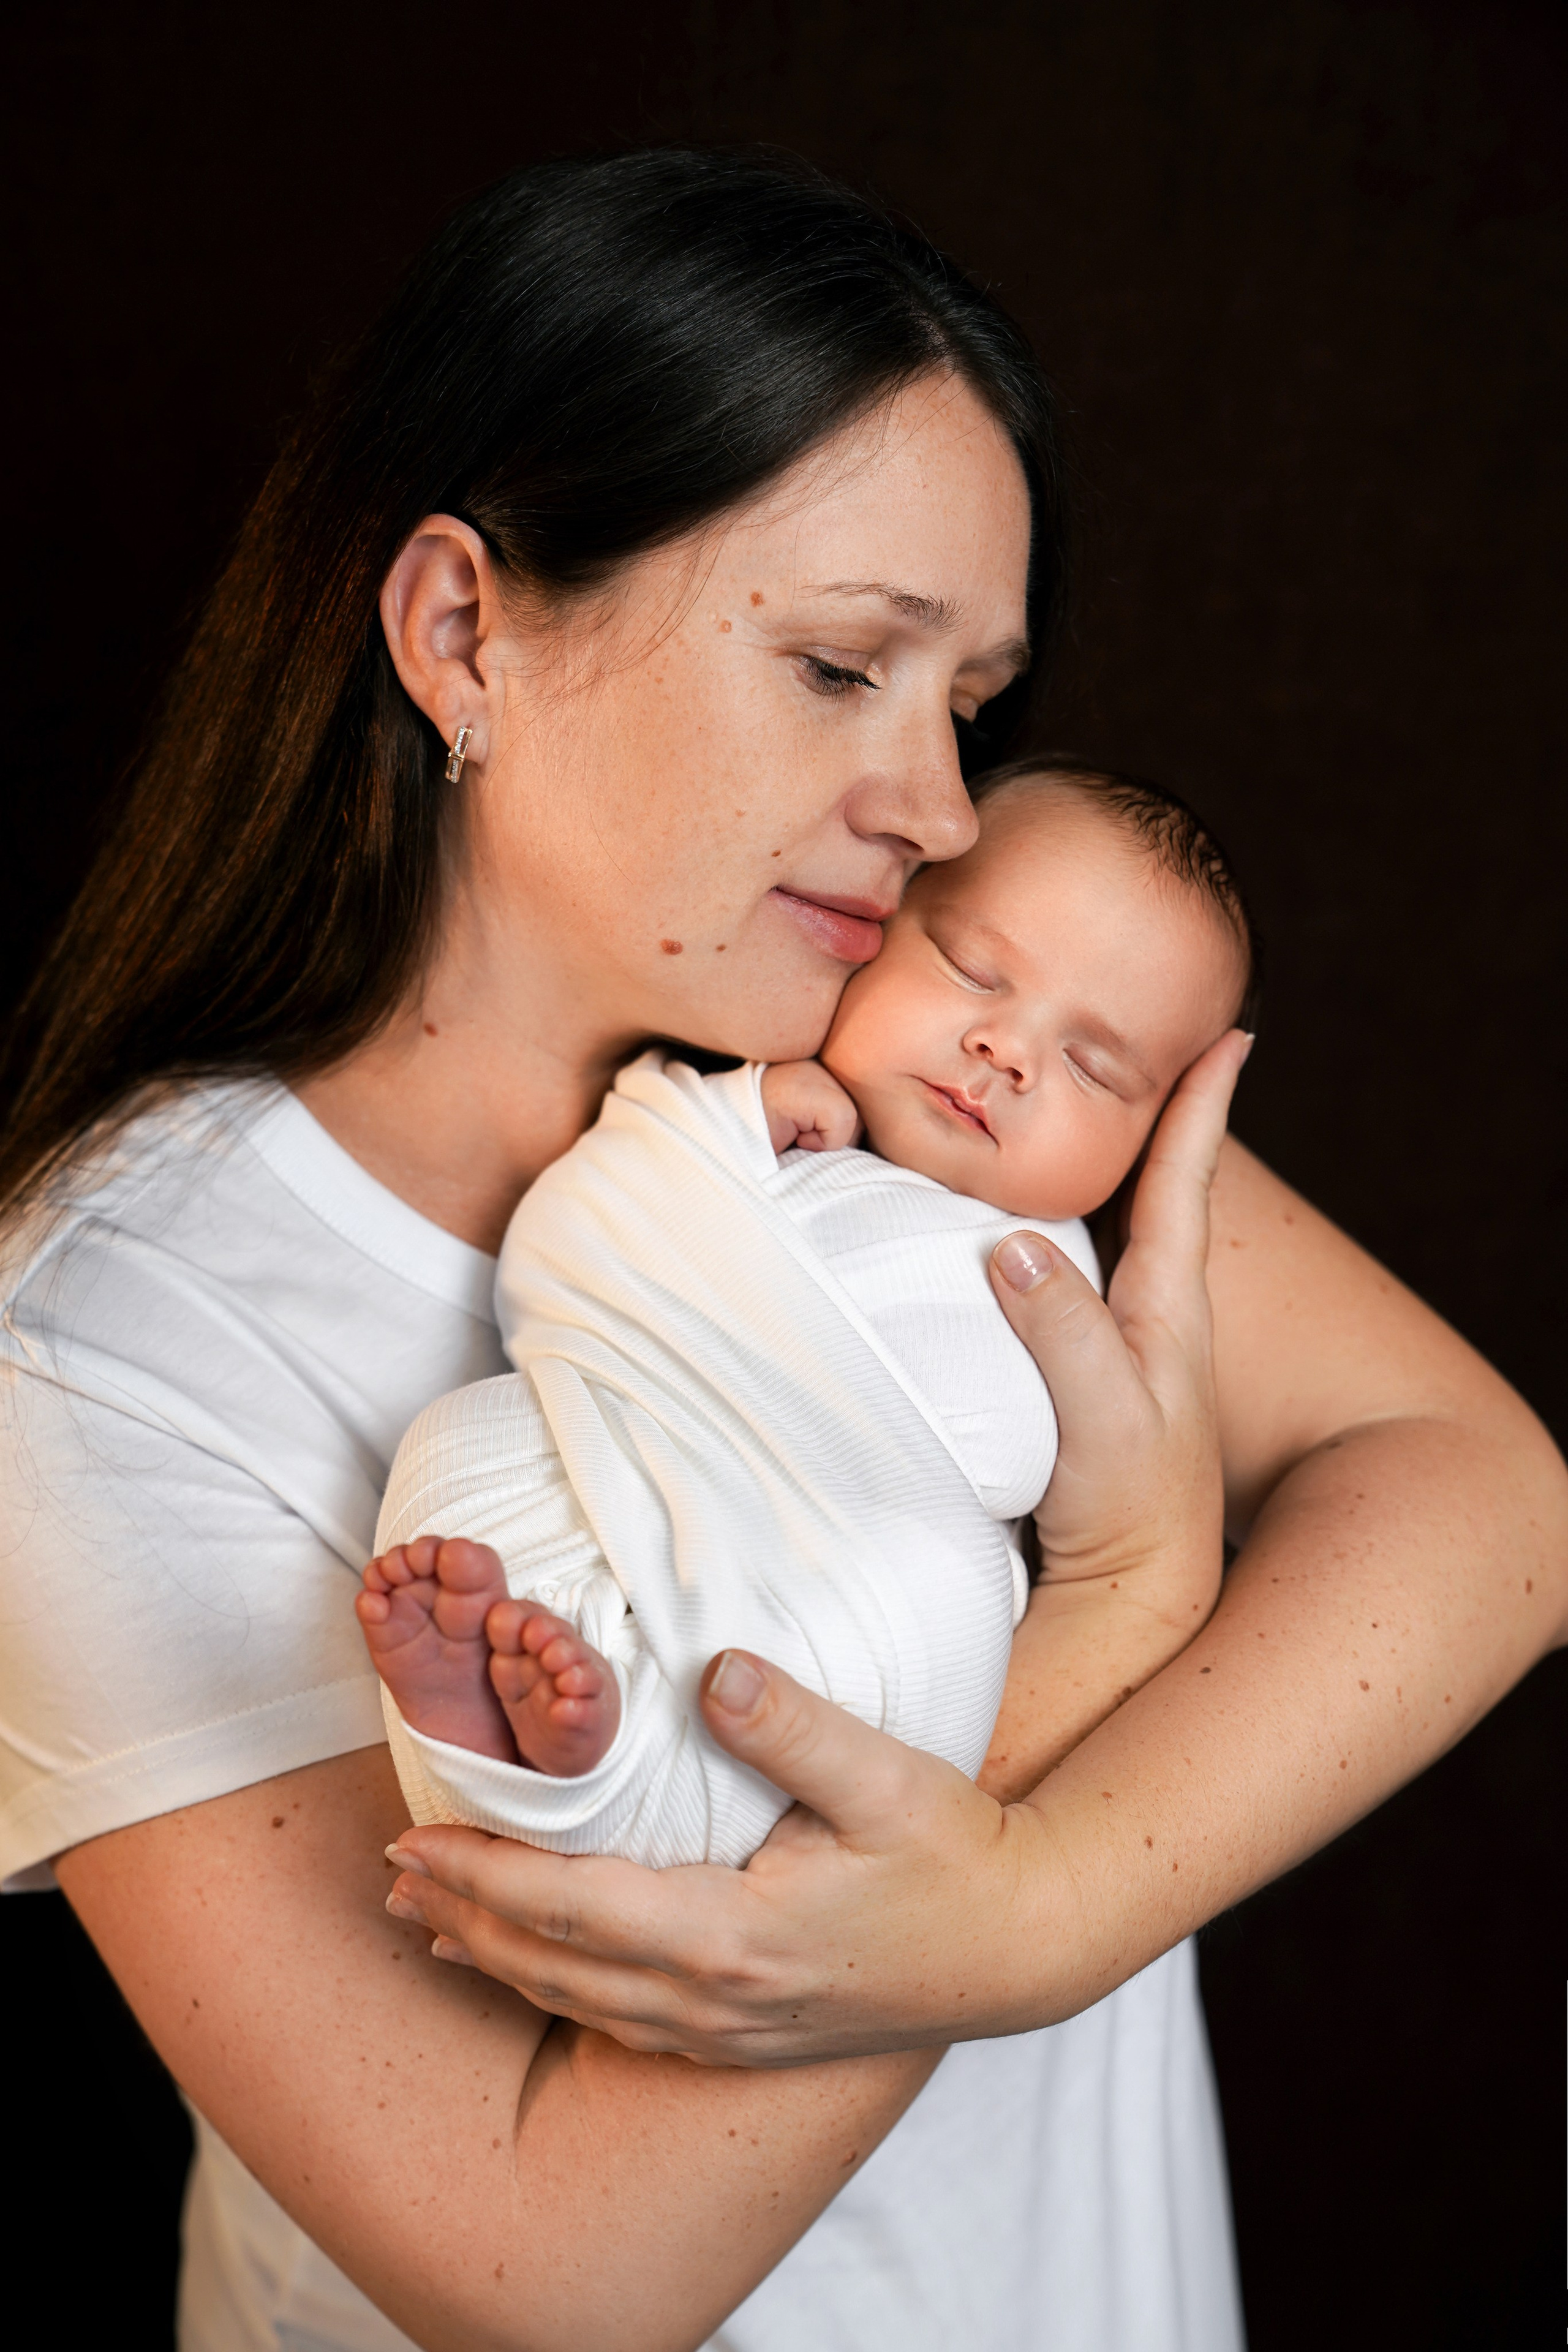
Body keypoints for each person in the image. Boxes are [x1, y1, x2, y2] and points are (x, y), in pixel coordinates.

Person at [0, 149, 1561, 2352]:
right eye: (841, 666)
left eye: (969, 705)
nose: (943, 808)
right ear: (462, 631)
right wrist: (1110, 1636)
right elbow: (557, 2269)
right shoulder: (106, 1347)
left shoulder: (913, 1060)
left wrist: (1048, 1901)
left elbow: (1489, 1496)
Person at [358, 765, 1255, 1879]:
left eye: (1092, 1066)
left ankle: (583, 1753)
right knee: (464, 1441)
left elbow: (1003, 1452)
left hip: (837, 1573)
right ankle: (517, 1725)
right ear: (871, 930)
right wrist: (734, 1117)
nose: (1008, 1051)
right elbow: (587, 1230)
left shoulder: (1053, 1267)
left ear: (1152, 1137)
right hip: (621, 1460)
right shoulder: (734, 1106)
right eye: (972, 970)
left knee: (943, 1610)